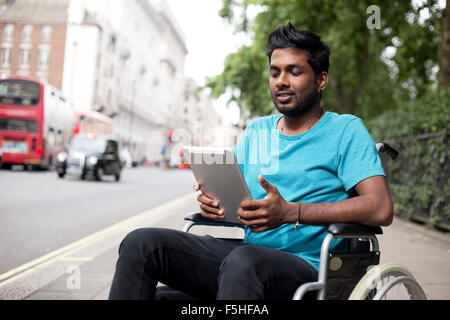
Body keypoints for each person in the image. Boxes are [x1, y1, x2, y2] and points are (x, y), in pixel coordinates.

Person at [108, 22, 393, 300]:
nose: (281, 81)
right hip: (244, 261)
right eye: (275, 72)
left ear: (321, 80)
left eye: (295, 72)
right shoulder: (256, 131)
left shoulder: (345, 130)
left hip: (310, 267)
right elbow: (243, 206)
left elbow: (380, 208)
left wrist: (291, 212)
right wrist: (216, 207)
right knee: (141, 243)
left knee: (245, 262)